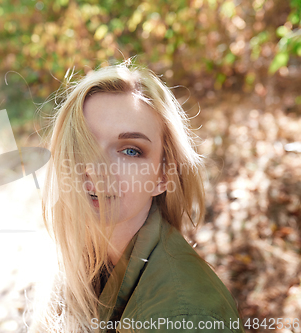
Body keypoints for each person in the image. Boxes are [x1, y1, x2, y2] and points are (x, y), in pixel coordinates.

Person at [29, 59, 244, 333]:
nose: (97, 171)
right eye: (84, 144)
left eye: (130, 151)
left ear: (163, 176)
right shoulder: (79, 263)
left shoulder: (183, 317)